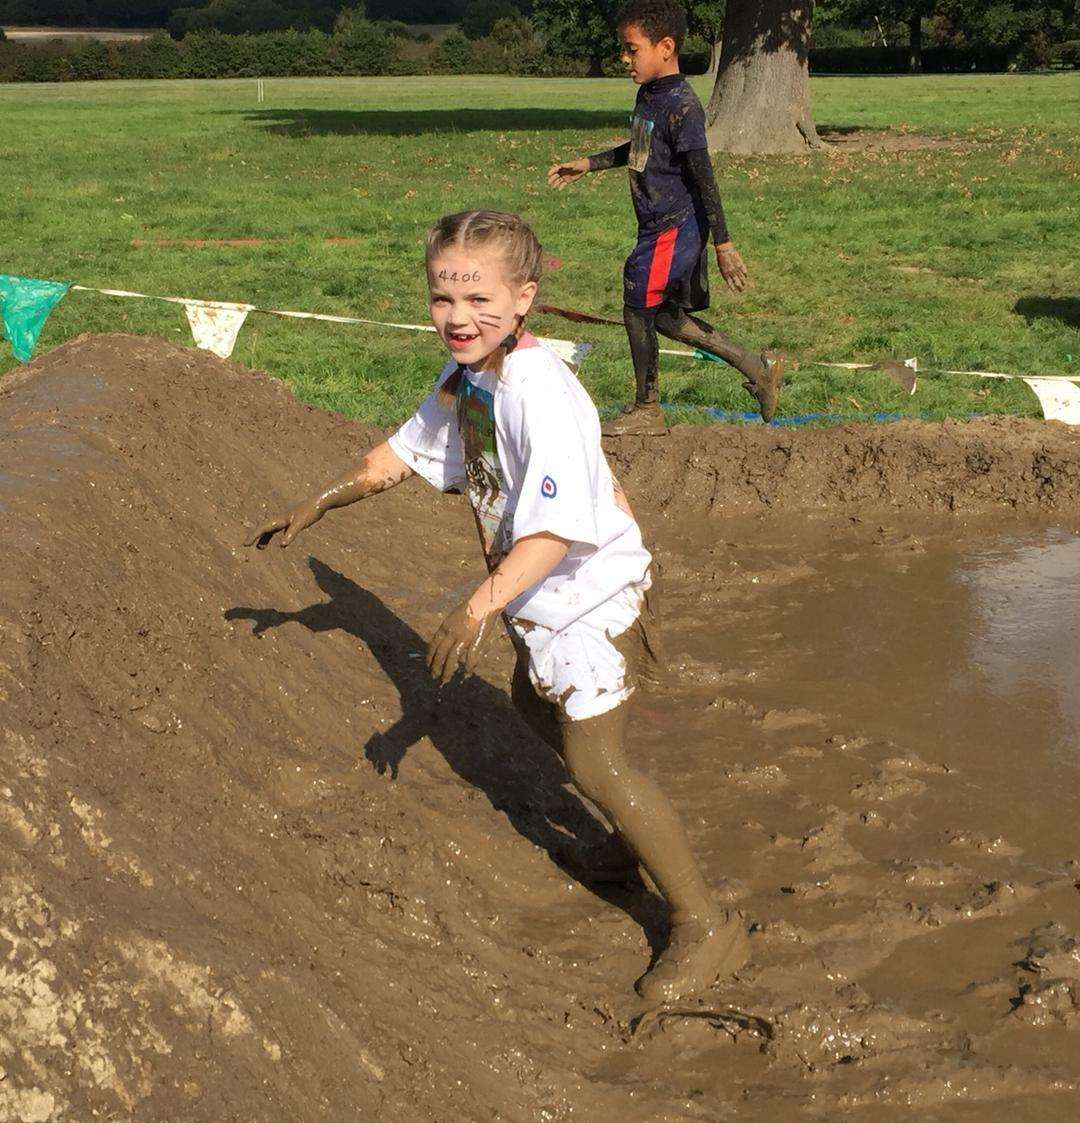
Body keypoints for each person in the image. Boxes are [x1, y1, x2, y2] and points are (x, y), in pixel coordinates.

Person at [246, 210, 749, 1003]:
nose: (456, 317)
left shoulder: (539, 395)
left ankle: (703, 921)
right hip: (531, 585)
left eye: (476, 298)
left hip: (585, 590)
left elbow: (550, 536)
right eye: (443, 297)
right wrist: (319, 503)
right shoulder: (469, 375)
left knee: (596, 759)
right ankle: (624, 845)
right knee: (527, 698)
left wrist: (471, 609)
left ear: (525, 299)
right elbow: (402, 452)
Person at [548, 0, 783, 436]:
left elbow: (705, 177)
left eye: (631, 49)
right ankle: (755, 366)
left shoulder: (683, 106)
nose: (624, 59)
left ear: (666, 46)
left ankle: (647, 408)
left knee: (637, 300)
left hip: (675, 228)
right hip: (656, 228)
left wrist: (724, 244)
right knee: (664, 317)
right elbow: (640, 151)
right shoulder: (649, 96)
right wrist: (589, 163)